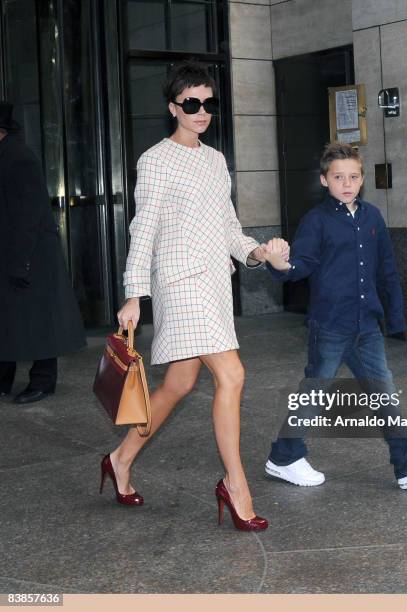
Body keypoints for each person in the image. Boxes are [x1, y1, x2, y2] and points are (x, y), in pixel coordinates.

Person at [103, 61, 283, 531]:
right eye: (192, 103)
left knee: (179, 385)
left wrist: (257, 252)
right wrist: (134, 294)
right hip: (180, 285)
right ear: (173, 107)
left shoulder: (215, 159)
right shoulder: (156, 159)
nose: (202, 111)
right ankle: (235, 484)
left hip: (214, 284)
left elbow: (228, 227)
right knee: (232, 373)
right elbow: (143, 228)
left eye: (209, 103)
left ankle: (121, 459)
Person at [260, 143, 407, 489]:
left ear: (362, 179)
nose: (346, 183)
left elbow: (387, 269)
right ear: (324, 180)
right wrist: (278, 263)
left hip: (366, 324)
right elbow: (300, 266)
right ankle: (285, 457)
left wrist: (394, 317)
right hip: (331, 324)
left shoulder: (372, 217)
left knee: (384, 391)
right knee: (316, 392)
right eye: (338, 177)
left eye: (353, 176)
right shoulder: (316, 221)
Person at [0, 101, 86, 404]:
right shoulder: (7, 153)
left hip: (31, 254)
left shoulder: (18, 157)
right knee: (10, 319)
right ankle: (4, 378)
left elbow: (29, 215)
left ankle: (43, 381)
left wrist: (20, 261)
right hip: (16, 252)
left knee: (39, 321)